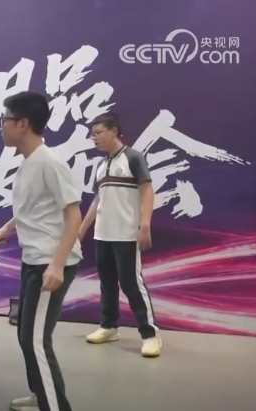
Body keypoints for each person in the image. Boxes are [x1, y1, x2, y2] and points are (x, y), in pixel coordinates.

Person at [0, 91, 82, 411]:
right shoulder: (27, 163)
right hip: (34, 259)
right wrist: (8, 228)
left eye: (4, 120)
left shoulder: (50, 163)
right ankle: (40, 395)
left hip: (49, 263)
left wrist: (57, 266)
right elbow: (33, 208)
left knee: (35, 341)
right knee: (25, 335)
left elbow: (73, 216)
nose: (1, 127)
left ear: (23, 124)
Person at [78, 112, 161, 357]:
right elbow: (98, 199)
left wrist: (145, 225)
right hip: (103, 235)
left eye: (98, 133)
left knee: (131, 283)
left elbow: (147, 190)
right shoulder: (100, 166)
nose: (94, 138)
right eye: (92, 134)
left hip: (126, 234)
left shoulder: (133, 158)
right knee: (107, 282)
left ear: (114, 131)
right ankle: (109, 327)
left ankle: (150, 334)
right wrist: (82, 229)